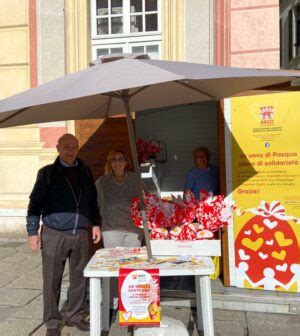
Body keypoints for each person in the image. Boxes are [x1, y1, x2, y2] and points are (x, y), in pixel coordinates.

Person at [26, 133, 101, 336]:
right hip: (54, 234)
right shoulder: (47, 173)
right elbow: (34, 204)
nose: (70, 151)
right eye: (66, 147)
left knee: (80, 279)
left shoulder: (85, 171)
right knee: (51, 279)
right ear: (58, 148)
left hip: (80, 234)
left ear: (78, 148)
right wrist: (32, 231)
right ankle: (52, 321)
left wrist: (96, 224)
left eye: (74, 147)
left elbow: (92, 200)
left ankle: (75, 315)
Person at [95, 148, 143, 248]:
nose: (117, 162)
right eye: (114, 160)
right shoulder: (102, 182)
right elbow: (94, 204)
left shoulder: (135, 180)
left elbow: (145, 201)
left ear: (126, 162)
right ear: (110, 163)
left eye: (120, 159)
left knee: (133, 261)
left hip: (133, 230)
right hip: (111, 230)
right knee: (114, 261)